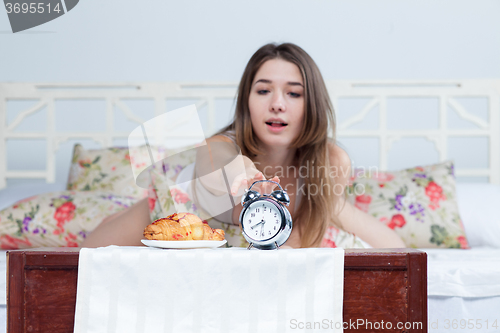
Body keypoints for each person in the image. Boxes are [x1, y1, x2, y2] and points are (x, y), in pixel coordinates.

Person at [81, 43, 405, 249]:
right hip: (175, 215)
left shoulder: (330, 160)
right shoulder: (218, 147)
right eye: (263, 91)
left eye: (294, 93)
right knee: (76, 262)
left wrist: (326, 198)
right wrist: (247, 178)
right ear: (247, 102)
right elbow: (222, 163)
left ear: (313, 104)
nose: (277, 104)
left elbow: (398, 252)